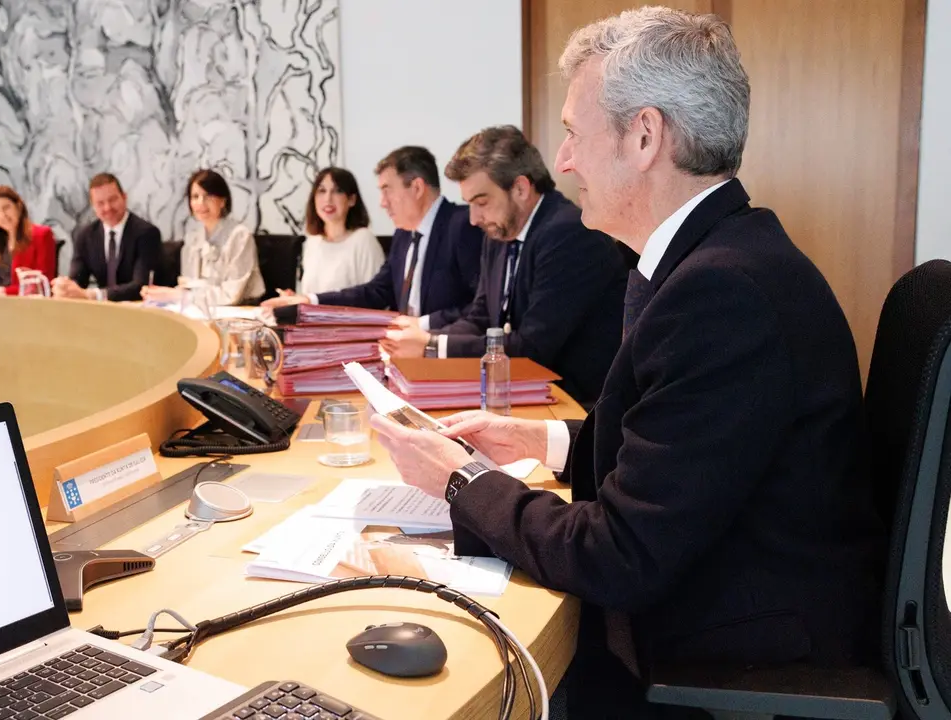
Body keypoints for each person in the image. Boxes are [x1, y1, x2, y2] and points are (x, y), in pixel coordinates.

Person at [369, 8, 883, 719]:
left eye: (575, 132)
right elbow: (690, 455)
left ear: (643, 136)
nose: (566, 159)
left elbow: (619, 555)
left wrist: (460, 479)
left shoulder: (720, 292)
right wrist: (543, 440)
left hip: (724, 649)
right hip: (724, 593)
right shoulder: (719, 256)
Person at [382, 126, 626, 405]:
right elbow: (481, 318)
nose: (473, 219)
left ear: (521, 188)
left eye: (481, 202)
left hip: (578, 408)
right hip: (521, 394)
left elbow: (532, 348)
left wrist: (430, 345)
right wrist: (423, 339)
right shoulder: (499, 233)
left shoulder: (570, 233)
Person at [261, 146, 482, 327]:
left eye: (387, 189)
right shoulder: (405, 234)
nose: (382, 202)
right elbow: (376, 292)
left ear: (416, 188)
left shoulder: (463, 225)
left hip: (444, 356)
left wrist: (421, 325)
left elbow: (481, 307)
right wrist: (310, 300)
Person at [142, 169, 264, 306]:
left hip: (240, 311)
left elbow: (231, 296)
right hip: (201, 309)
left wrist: (178, 295)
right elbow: (188, 285)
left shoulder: (239, 236)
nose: (201, 203)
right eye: (195, 197)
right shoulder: (192, 237)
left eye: (208, 196)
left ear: (223, 201)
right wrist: (162, 294)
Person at [52, 173, 162, 302]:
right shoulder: (85, 235)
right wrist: (66, 287)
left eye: (113, 200)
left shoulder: (147, 233)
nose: (107, 207)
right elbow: (78, 280)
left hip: (137, 308)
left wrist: (94, 295)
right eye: (100, 203)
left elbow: (140, 286)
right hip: (101, 312)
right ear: (93, 206)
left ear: (124, 197)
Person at [296, 167, 384, 296]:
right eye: (321, 191)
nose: (328, 199)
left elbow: (377, 298)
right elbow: (308, 295)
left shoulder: (364, 240)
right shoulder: (313, 241)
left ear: (351, 200)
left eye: (337, 191)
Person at [0, 185, 56, 296]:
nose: (2, 216)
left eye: (6, 208)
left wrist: (3, 292)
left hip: (25, 307)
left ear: (18, 206)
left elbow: (43, 284)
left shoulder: (42, 235)